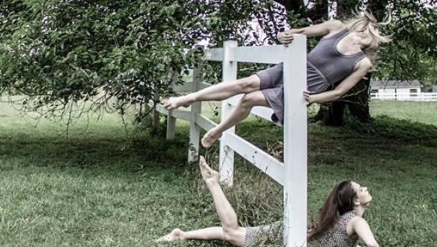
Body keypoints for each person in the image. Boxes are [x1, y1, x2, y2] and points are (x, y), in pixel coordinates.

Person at [162, 11, 389, 148]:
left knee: (249, 99)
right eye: (374, 36)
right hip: (291, 67)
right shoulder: (336, 27)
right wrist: (283, 35)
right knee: (245, 84)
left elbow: (339, 92)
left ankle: (218, 131)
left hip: (305, 87)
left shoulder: (362, 63)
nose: (373, 43)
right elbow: (299, 31)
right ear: (365, 28)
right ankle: (188, 98)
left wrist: (313, 99)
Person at [158, 157, 384, 247]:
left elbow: (346, 241)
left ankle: (182, 234)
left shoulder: (346, 220)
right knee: (232, 232)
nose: (366, 189)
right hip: (286, 237)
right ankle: (213, 184)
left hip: (292, 235)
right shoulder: (356, 222)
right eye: (361, 189)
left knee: (233, 233)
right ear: (356, 200)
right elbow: (373, 245)